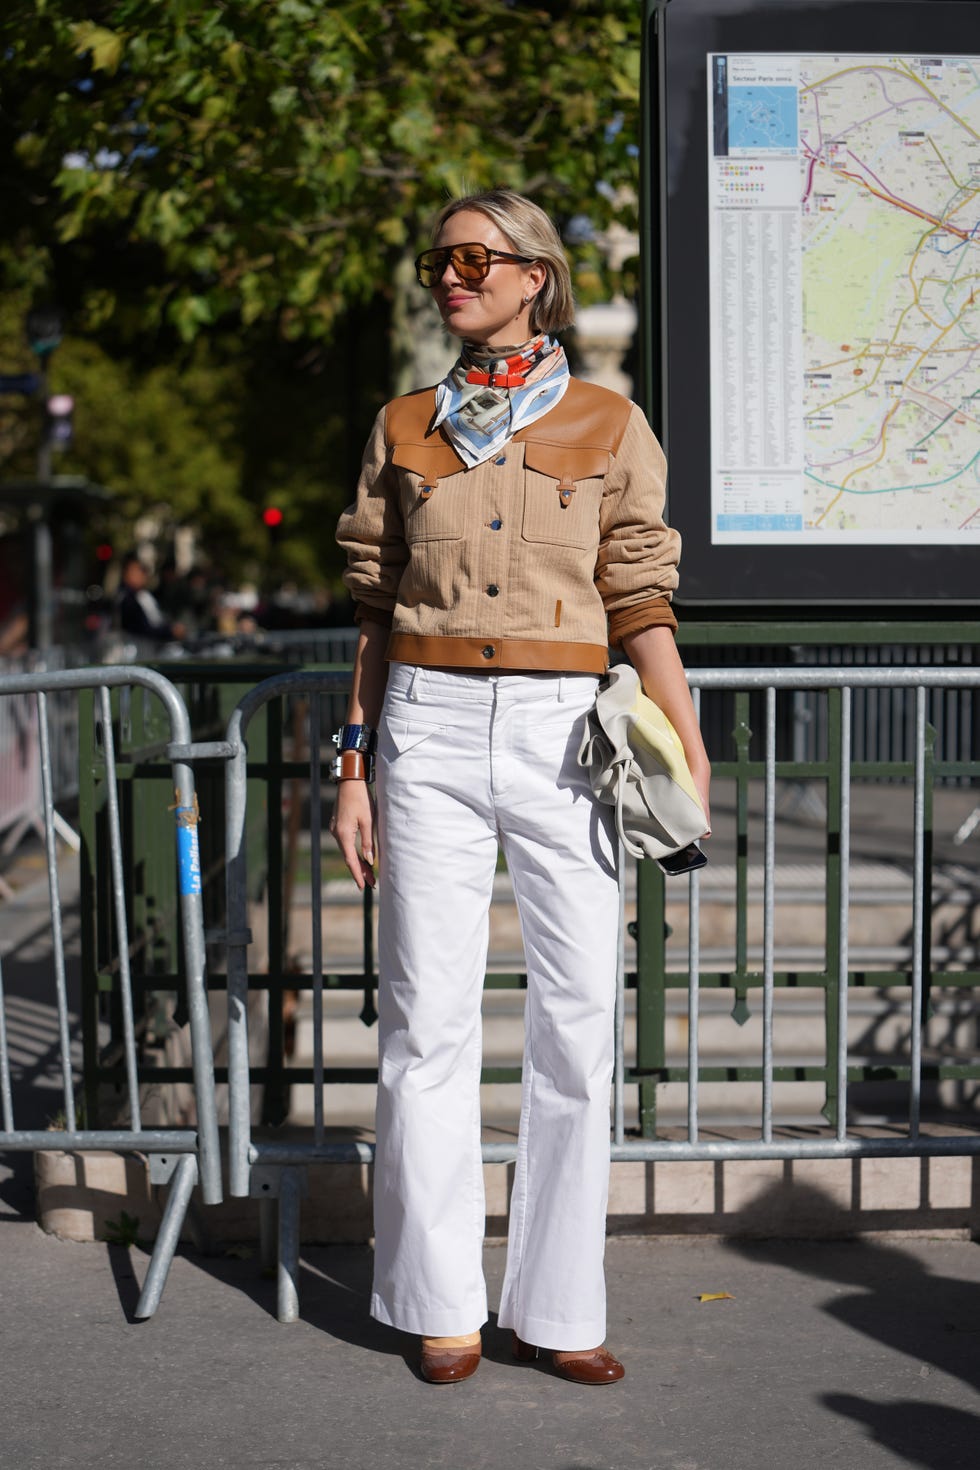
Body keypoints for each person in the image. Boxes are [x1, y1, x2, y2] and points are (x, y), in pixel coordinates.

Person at [333, 189, 710, 1386]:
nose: (452, 276)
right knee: (426, 1024)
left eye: (475, 259)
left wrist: (685, 740)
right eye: (439, 258)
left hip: (562, 729)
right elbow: (373, 611)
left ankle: (557, 1310)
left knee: (574, 1026)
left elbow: (640, 595)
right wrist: (353, 765)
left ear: (534, 277)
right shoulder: (401, 424)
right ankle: (438, 1305)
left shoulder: (608, 421)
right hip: (425, 727)